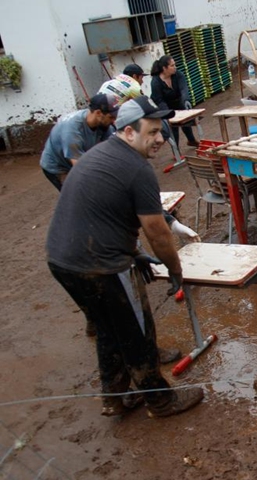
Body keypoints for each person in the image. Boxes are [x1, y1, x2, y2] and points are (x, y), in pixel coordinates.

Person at [46, 95, 204, 418]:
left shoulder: (102, 154)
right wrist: (175, 270)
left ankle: (115, 397)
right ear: (129, 132)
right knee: (137, 327)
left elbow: (113, 211)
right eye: (152, 132)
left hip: (62, 260)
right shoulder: (136, 169)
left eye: (161, 131)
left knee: (108, 326)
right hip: (98, 264)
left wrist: (136, 251)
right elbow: (155, 231)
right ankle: (159, 400)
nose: (160, 138)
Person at [39, 93, 119, 191]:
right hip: (58, 167)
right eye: (111, 117)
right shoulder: (72, 130)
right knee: (78, 195)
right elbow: (80, 166)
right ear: (98, 113)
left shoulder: (104, 124)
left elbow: (112, 150)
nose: (114, 121)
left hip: (80, 155)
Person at [150, 55, 199, 149]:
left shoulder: (178, 75)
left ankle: (191, 140)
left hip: (178, 101)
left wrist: (186, 100)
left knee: (186, 120)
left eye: (174, 64)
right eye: (172, 65)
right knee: (173, 127)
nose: (175, 67)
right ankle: (175, 150)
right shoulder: (156, 82)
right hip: (164, 105)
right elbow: (159, 100)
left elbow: (183, 89)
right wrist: (169, 114)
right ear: (164, 68)